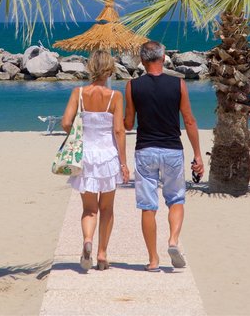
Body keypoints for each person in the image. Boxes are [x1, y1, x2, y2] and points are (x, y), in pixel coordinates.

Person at [124, 41, 204, 272]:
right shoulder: (178, 84)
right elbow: (189, 120)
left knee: (148, 206)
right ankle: (173, 241)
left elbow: (129, 123)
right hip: (172, 150)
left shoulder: (132, 86)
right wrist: (198, 155)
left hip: (146, 150)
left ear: (142, 60)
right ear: (163, 57)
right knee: (176, 199)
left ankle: (153, 260)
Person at [60, 49, 128, 271]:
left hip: (85, 155)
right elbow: (119, 130)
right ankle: (101, 254)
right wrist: (124, 164)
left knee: (89, 209)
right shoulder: (115, 97)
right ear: (109, 70)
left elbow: (65, 123)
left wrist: (78, 135)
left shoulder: (78, 93)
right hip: (108, 156)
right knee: (107, 208)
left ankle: (87, 240)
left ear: (90, 68)